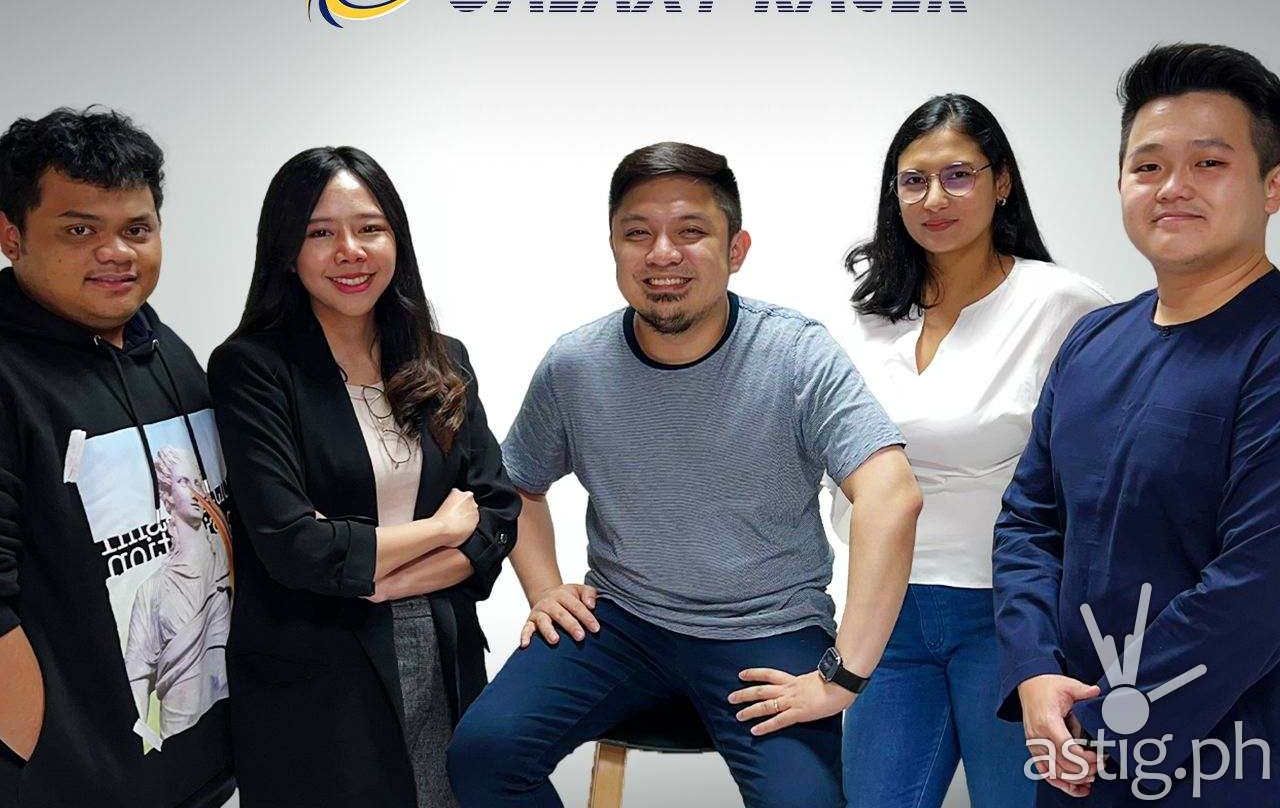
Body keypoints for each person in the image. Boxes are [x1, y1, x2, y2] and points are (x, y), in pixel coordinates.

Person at [447, 141, 923, 808]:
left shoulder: (795, 354)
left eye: (691, 231)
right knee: (482, 756)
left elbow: (891, 495)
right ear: (614, 247)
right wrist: (545, 588)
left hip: (768, 629)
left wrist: (844, 676)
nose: (662, 254)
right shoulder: (576, 365)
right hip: (622, 623)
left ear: (736, 249)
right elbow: (517, 484)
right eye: (637, 233)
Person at [993, 43, 1280, 806]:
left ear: (1273, 185)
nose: (1173, 187)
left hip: (1232, 754)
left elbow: (1258, 586)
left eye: (1209, 163)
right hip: (1071, 750)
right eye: (1148, 166)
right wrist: (1033, 671)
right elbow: (1028, 520)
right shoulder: (1093, 340)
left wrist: (1110, 722)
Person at [207, 146, 520, 808]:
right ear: (287, 251)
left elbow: (495, 515)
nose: (349, 251)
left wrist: (390, 579)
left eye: (369, 228)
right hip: (318, 676)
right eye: (320, 232)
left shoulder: (442, 359)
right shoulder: (252, 368)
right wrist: (439, 529)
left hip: (441, 649)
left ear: (395, 239)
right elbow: (294, 545)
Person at [829, 94, 1111, 808]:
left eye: (958, 175)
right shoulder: (869, 317)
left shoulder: (1065, 306)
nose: (934, 199)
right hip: (884, 612)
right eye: (914, 180)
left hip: (1010, 620)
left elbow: (1096, 485)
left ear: (1001, 181)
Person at [0, 108, 234, 808]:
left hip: (199, 766)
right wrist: (32, 756)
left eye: (136, 229)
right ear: (11, 236)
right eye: (80, 230)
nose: (116, 253)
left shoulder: (166, 350)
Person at [125, 445, 233, 747]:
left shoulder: (224, 555)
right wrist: (140, 749)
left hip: (238, 721)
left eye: (199, 482)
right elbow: (136, 676)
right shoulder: (152, 590)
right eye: (185, 482)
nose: (197, 492)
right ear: (168, 495)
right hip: (180, 736)